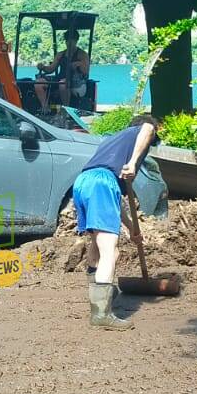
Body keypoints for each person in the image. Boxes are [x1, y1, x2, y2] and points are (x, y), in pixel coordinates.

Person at [71, 113, 158, 330]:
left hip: (83, 182)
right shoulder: (142, 132)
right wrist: (133, 162)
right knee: (110, 250)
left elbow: (116, 203)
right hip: (101, 183)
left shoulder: (113, 141)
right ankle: (101, 314)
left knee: (99, 246)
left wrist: (131, 229)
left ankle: (103, 292)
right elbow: (148, 127)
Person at [35, 29, 91, 110]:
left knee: (62, 83)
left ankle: (66, 109)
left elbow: (86, 72)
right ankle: (45, 108)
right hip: (60, 78)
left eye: (72, 40)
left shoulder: (82, 55)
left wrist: (79, 64)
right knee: (38, 83)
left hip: (76, 82)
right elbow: (51, 69)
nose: (69, 42)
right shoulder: (60, 54)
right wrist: (43, 67)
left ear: (76, 41)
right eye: (67, 40)